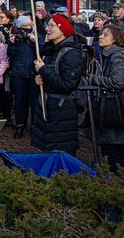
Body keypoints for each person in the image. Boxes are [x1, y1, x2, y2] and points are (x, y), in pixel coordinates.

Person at [82, 25, 124, 171]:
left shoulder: (119, 55)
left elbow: (117, 82)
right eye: (101, 34)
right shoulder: (105, 54)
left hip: (117, 107)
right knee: (110, 150)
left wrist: (93, 79)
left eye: (106, 35)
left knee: (117, 153)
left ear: (115, 38)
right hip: (109, 106)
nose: (101, 36)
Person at [33, 14, 83, 155]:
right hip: (50, 106)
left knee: (60, 152)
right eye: (47, 25)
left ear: (63, 30)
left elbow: (67, 84)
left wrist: (43, 70)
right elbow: (50, 76)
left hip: (62, 110)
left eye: (52, 26)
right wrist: (40, 78)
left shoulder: (71, 54)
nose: (47, 29)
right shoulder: (50, 50)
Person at [7, 15, 40, 138]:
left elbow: (41, 50)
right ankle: (20, 124)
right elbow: (10, 55)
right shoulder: (15, 37)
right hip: (18, 73)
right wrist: (12, 43)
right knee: (19, 100)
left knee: (34, 101)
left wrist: (34, 41)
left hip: (32, 73)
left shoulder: (36, 36)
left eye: (28, 25)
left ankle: (34, 125)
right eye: (24, 26)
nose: (27, 28)